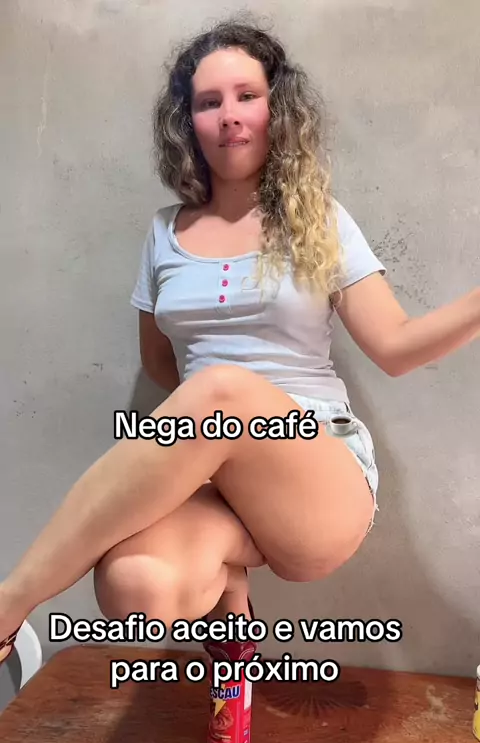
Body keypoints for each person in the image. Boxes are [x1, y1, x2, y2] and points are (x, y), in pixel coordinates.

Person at [1, 17, 479, 668]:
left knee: (221, 389)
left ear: (276, 110)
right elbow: (160, 361)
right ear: (188, 123)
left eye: (247, 95)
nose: (229, 114)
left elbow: (394, 346)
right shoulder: (164, 234)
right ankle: (231, 585)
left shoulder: (319, 221)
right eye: (209, 101)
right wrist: (211, 443)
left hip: (319, 472)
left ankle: (10, 603)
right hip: (216, 474)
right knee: (135, 589)